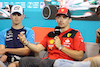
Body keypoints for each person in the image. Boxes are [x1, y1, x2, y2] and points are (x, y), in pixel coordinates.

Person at [18, 7, 85, 67]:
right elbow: (38, 48)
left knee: (45, 63)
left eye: (64, 17)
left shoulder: (75, 34)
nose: (61, 20)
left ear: (70, 20)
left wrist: (60, 47)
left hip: (64, 62)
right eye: (58, 17)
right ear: (56, 19)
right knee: (24, 61)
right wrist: (26, 43)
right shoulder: (51, 34)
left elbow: (79, 56)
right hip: (48, 60)